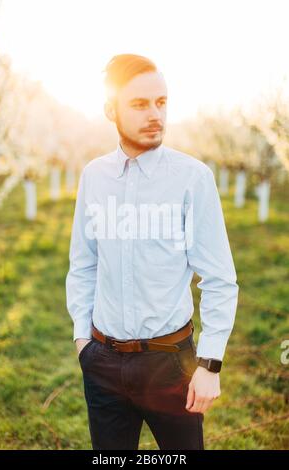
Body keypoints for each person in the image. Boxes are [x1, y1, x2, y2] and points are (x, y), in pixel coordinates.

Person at [66, 54, 239, 450]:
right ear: (111, 109)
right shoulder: (94, 176)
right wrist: (82, 343)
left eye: (161, 102)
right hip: (103, 362)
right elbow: (83, 264)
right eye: (140, 104)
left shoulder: (192, 179)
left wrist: (210, 364)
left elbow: (219, 279)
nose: (155, 114)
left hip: (170, 365)